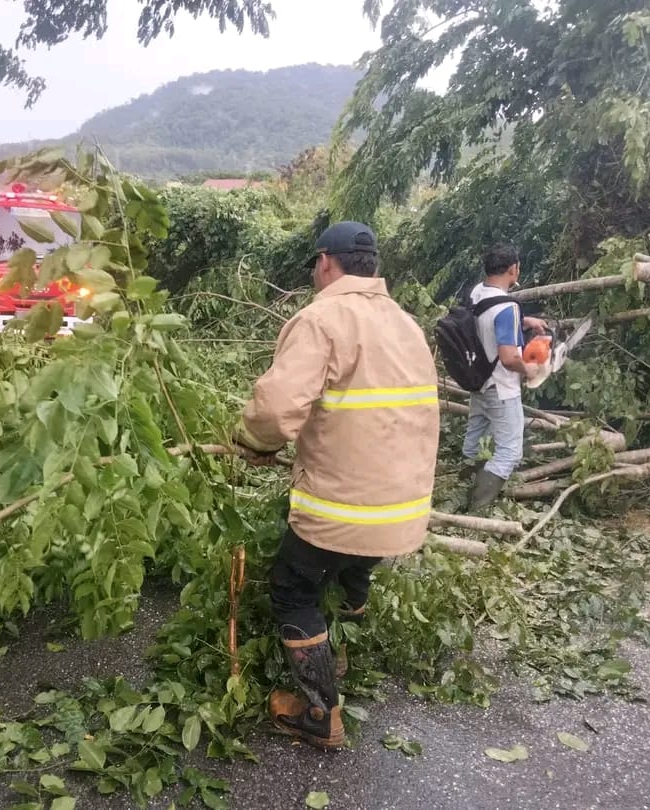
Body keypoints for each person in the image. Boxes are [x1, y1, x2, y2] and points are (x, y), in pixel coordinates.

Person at [233, 222, 440, 749]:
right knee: (349, 569)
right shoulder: (406, 323)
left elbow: (276, 411)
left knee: (292, 588)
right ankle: (341, 645)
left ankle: (321, 714)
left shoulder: (322, 318)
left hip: (346, 507)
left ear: (326, 262)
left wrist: (256, 445)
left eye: (313, 263)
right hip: (405, 508)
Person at [461, 244, 547, 508]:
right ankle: (478, 507)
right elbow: (510, 358)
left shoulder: (477, 293)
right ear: (513, 269)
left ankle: (460, 486)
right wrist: (529, 369)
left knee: (474, 441)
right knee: (509, 452)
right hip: (501, 386)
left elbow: (486, 321)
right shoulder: (507, 307)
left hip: (479, 380)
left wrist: (525, 320)